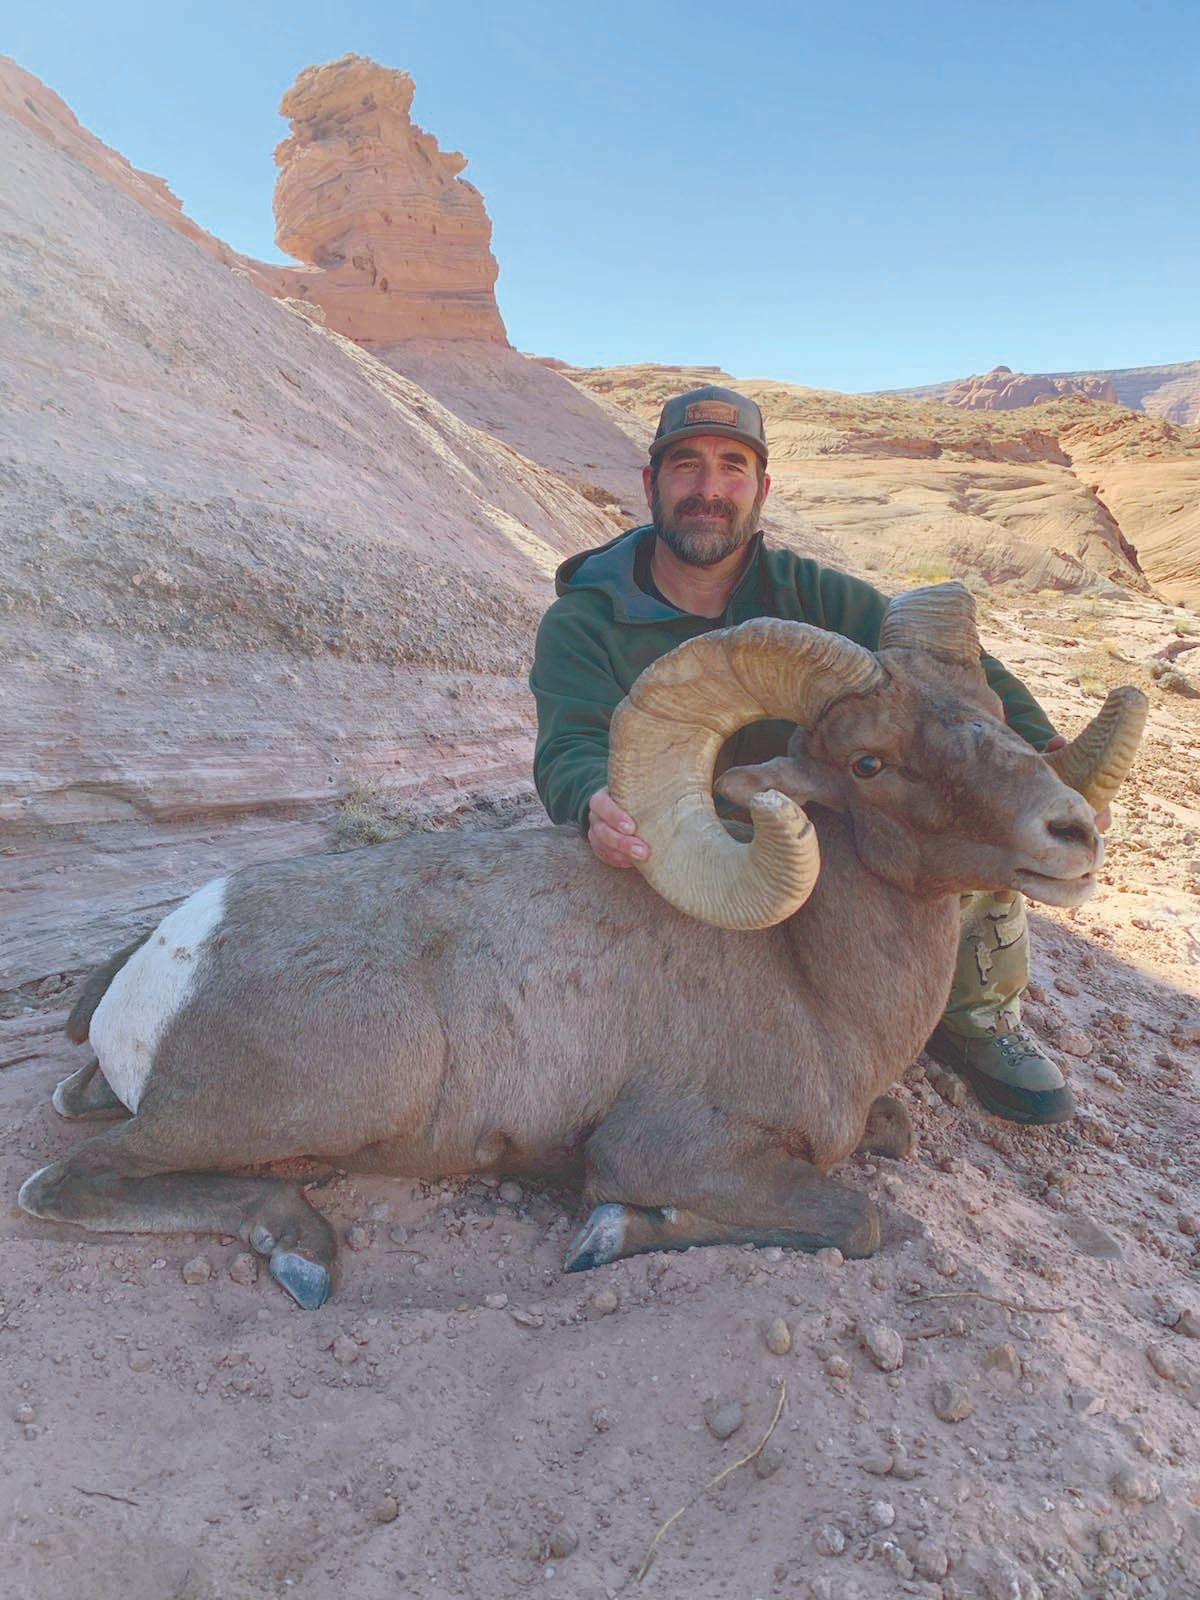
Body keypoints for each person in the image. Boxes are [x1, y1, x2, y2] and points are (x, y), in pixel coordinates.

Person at [530, 385, 1104, 1125]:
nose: (709, 489)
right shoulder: (585, 621)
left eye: (733, 467)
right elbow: (569, 742)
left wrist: (1048, 759)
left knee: (966, 815)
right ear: (651, 483)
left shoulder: (816, 597)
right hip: (679, 839)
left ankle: (975, 1013)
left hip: (825, 832)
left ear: (762, 489)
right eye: (686, 465)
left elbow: (951, 678)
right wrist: (592, 801)